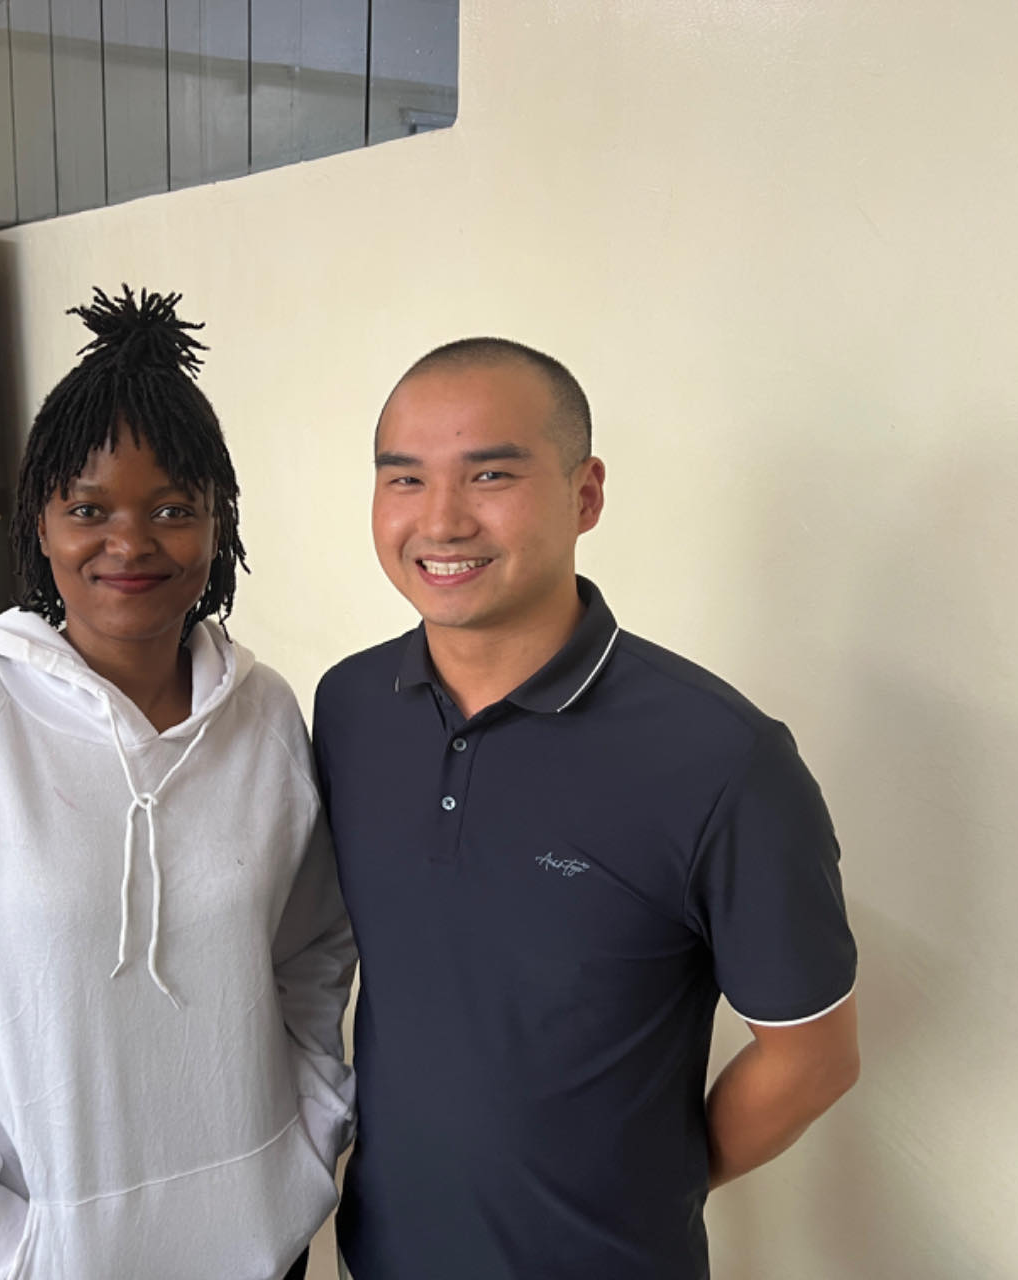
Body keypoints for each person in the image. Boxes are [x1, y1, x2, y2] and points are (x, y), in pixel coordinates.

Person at [0, 287, 356, 1280]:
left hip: (258, 1241)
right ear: (41, 525)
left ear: (218, 524)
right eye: (88, 509)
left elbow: (310, 948)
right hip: (42, 1258)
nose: (130, 543)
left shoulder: (266, 713)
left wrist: (305, 1140)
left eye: (172, 509)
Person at [313, 338, 859, 1279]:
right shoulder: (350, 708)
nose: (441, 519)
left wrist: (641, 1186)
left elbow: (813, 1059)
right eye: (404, 479)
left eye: (490, 475)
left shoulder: (722, 759)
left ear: (586, 494)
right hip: (381, 1258)